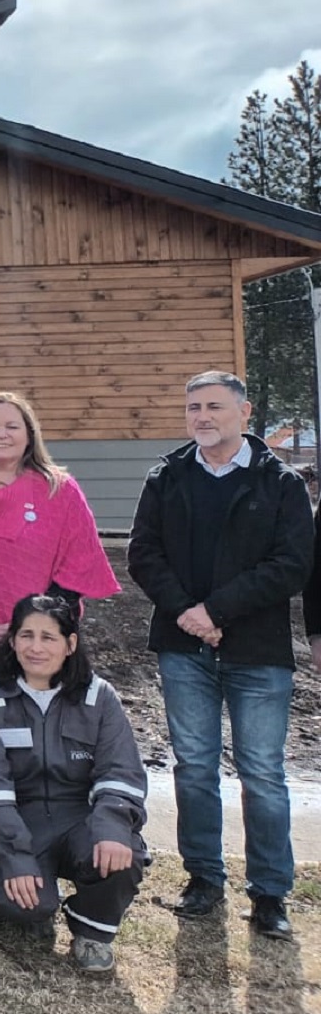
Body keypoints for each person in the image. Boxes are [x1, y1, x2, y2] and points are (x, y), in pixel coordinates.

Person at [130, 369, 311, 939]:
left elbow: (291, 565)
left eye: (213, 407)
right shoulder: (167, 475)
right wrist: (189, 612)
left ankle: (270, 894)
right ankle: (203, 879)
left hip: (258, 653)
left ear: (244, 411)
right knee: (195, 769)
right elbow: (143, 552)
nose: (202, 417)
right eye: (193, 409)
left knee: (262, 773)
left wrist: (216, 612)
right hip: (184, 649)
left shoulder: (280, 483)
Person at [0, 595, 148, 974]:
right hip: (19, 819)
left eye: (49, 637)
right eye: (26, 635)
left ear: (71, 644)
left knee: (121, 854)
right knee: (25, 907)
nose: (36, 647)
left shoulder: (99, 696)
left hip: (81, 818)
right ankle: (24, 892)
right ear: (12, 641)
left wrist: (113, 826)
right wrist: (14, 856)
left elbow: (121, 770)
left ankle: (91, 930)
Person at [0, 392, 117, 681]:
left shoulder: (59, 489)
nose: (1, 434)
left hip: (46, 643)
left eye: (12, 426)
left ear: (29, 435)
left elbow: (78, 567)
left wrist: (27, 629)